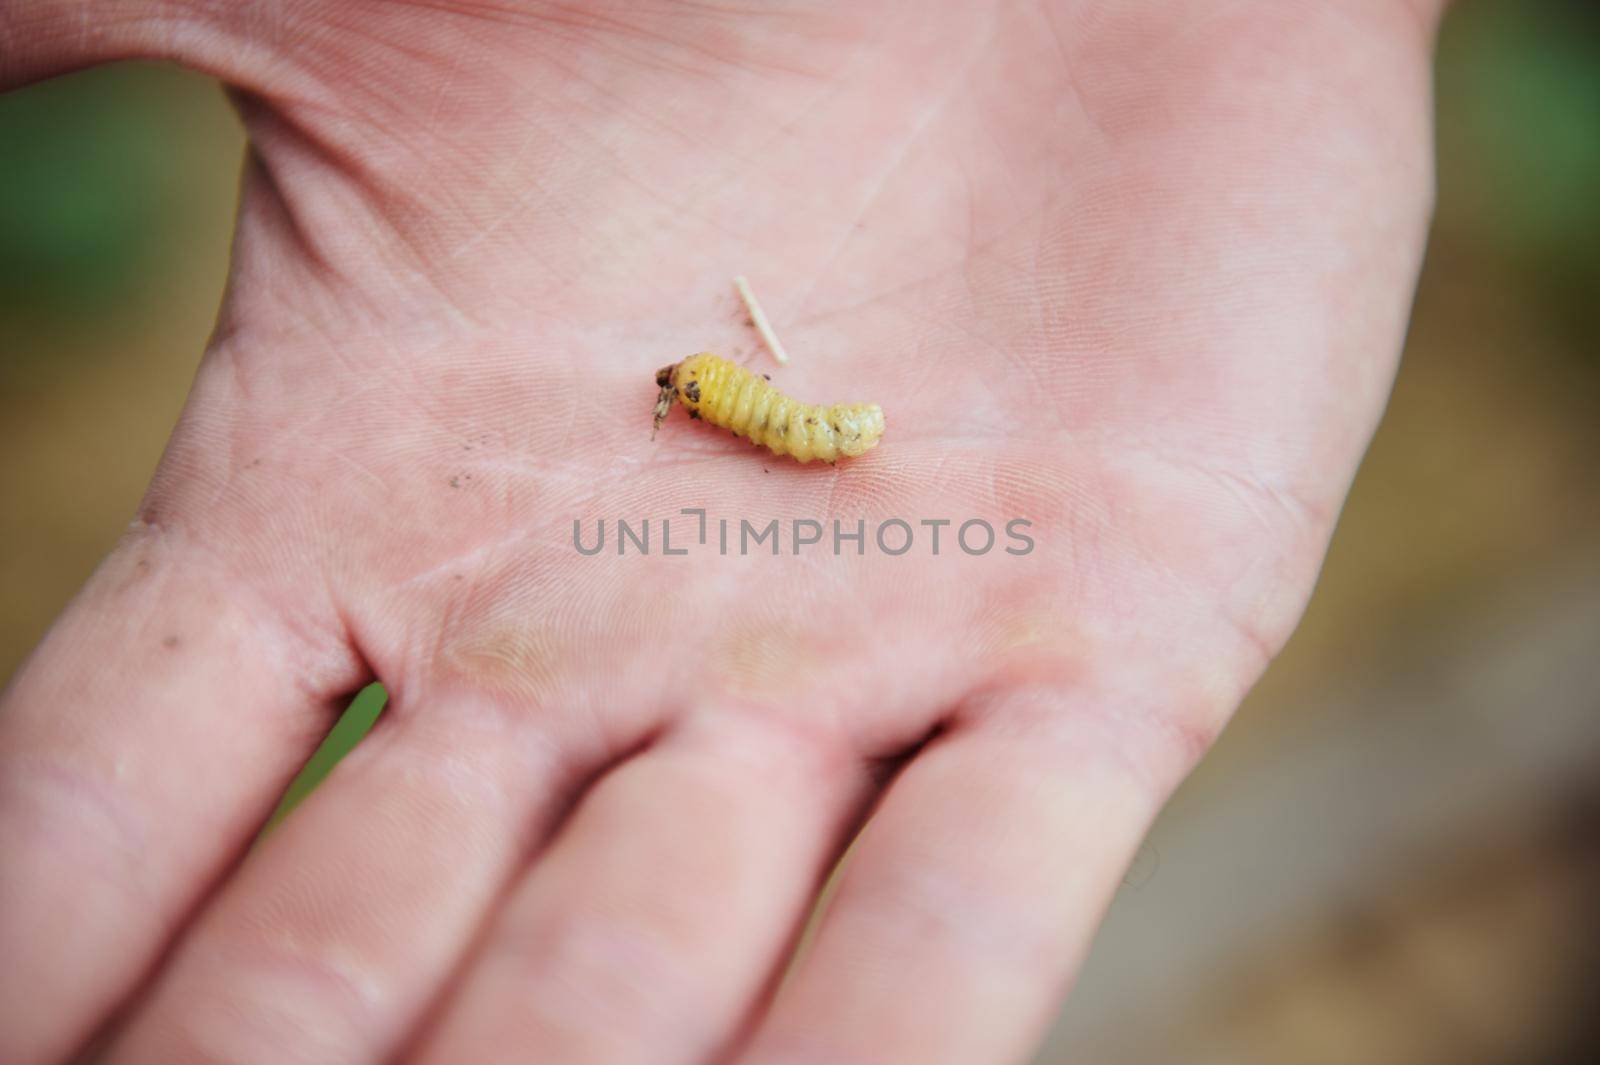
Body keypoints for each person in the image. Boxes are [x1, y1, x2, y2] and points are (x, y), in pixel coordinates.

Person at [0, 1, 1450, 1061]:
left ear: (712, 394)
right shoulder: (730, 402)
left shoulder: (767, 415)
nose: (696, 401)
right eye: (697, 395)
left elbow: (809, 431)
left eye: (693, 392)